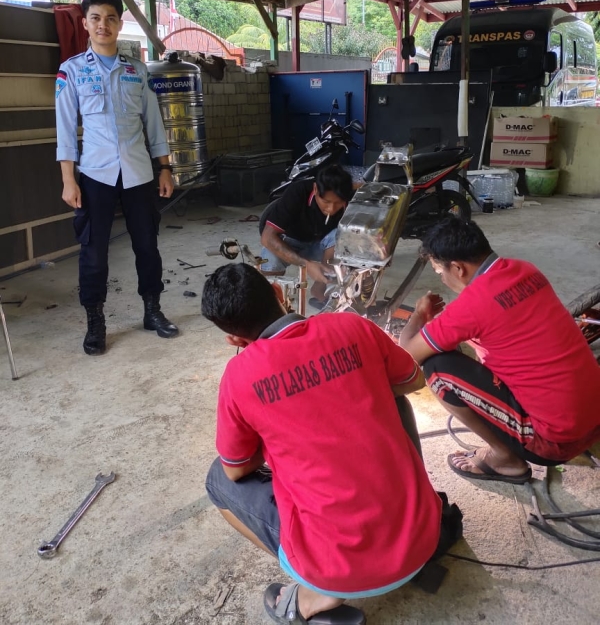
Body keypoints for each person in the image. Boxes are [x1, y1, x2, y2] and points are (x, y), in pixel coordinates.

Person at [202, 263, 445, 625]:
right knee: (396, 400)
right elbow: (410, 381)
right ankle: (395, 536)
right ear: (278, 293)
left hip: (340, 572)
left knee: (217, 481)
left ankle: (311, 595)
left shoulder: (239, 377)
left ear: (235, 340)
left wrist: (276, 440)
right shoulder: (351, 325)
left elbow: (236, 468)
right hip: (424, 536)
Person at [400, 218, 600, 484]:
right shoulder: (525, 270)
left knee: (437, 368)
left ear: (458, 268)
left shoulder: (472, 306)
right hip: (593, 417)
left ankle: (504, 458)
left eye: (440, 272)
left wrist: (419, 314)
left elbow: (406, 357)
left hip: (554, 442)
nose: (443, 280)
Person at [55, 0, 179, 356]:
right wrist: (68, 178)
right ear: (85, 24)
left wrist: (165, 168)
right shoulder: (72, 71)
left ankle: (152, 311)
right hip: (95, 175)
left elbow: (153, 124)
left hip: (139, 173)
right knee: (94, 252)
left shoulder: (136, 71)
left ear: (119, 23)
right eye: (95, 18)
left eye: (110, 18)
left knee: (147, 246)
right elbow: (64, 128)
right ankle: (96, 322)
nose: (103, 25)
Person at [259, 165, 353, 308]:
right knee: (270, 258)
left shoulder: (351, 198)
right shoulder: (297, 192)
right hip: (290, 242)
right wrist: (306, 264)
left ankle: (320, 289)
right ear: (315, 190)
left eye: (338, 203)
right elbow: (267, 238)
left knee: (341, 238)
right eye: (326, 202)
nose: (331, 209)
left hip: (321, 245)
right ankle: (271, 299)